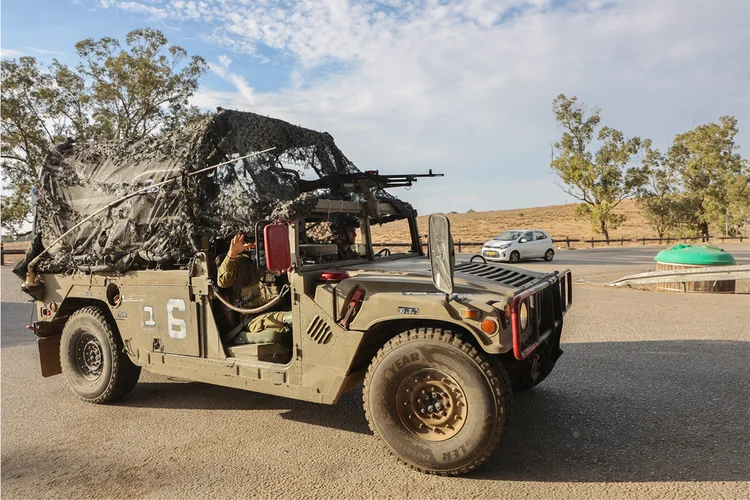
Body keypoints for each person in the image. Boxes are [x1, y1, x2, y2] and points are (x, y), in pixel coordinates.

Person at [217, 233, 291, 344]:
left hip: (277, 309)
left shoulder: (273, 260)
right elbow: (223, 281)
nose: (261, 244)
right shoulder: (241, 264)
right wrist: (232, 254)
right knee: (294, 318)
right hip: (254, 318)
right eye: (258, 240)